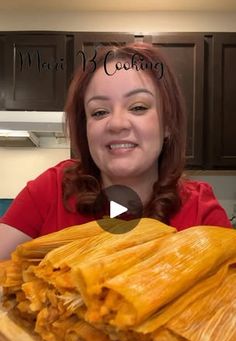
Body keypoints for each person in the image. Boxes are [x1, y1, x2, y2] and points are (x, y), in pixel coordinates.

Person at [0, 43, 231, 260]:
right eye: (99, 112)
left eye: (138, 107)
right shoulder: (52, 189)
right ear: (86, 129)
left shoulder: (200, 210)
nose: (117, 124)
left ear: (168, 124)